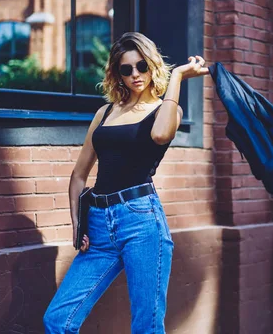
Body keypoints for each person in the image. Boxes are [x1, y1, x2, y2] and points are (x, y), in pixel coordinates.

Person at [43, 32, 209, 334]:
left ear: (152, 66)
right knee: (58, 319)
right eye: (126, 69)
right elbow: (79, 174)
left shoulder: (166, 111)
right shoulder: (105, 113)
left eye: (142, 66)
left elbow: (160, 135)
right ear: (117, 73)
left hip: (142, 223)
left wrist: (178, 78)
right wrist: (77, 224)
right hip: (98, 228)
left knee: (146, 326)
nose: (135, 74)